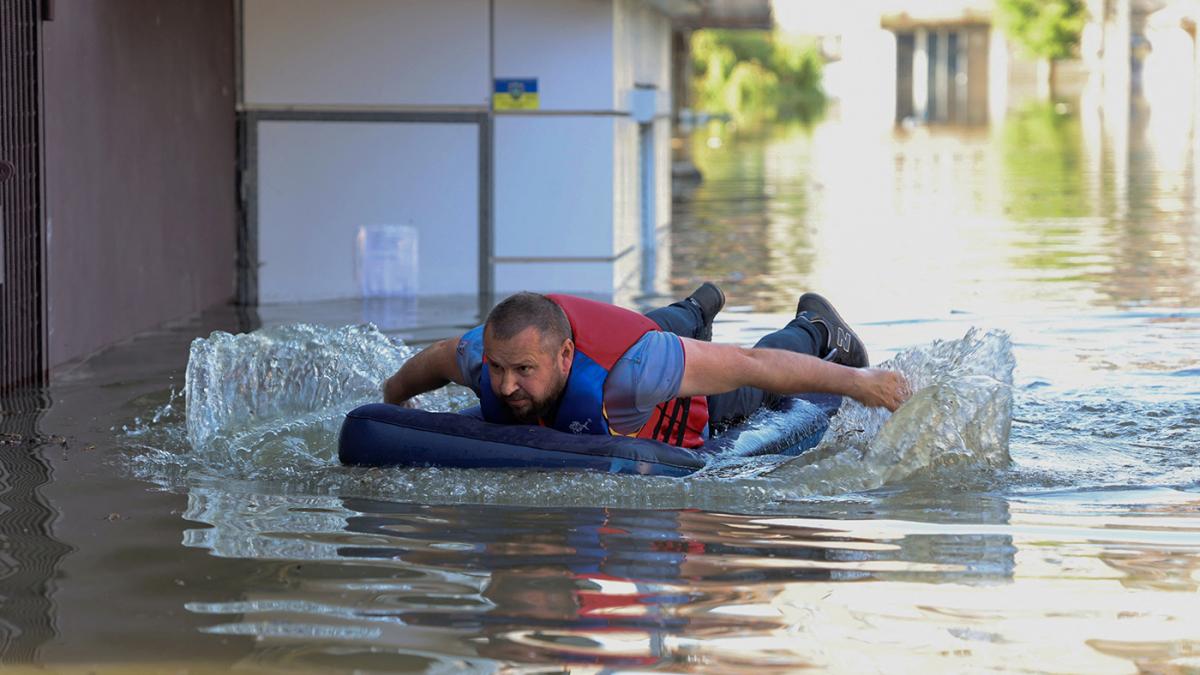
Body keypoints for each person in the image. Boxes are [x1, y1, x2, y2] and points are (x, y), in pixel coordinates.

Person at [383, 284, 910, 449]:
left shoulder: (634, 372)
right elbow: (426, 364)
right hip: (619, 337)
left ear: (564, 356)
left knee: (750, 391)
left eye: (522, 370)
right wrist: (393, 404)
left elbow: (752, 364)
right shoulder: (482, 354)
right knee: (647, 327)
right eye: (498, 370)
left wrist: (858, 381)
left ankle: (816, 326)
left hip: (673, 394)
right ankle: (697, 308)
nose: (505, 385)